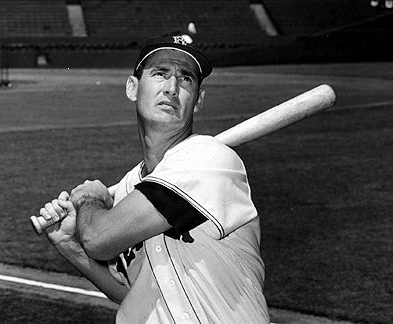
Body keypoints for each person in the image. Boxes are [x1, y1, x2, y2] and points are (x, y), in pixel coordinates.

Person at [36, 35, 270, 323]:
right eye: (160, 74)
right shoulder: (126, 191)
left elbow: (98, 239)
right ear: (133, 87)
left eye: (186, 79)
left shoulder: (210, 160)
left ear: (198, 100)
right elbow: (134, 293)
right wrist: (68, 245)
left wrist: (88, 199)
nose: (172, 88)